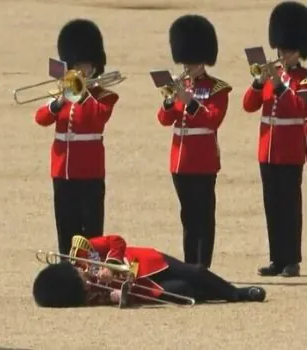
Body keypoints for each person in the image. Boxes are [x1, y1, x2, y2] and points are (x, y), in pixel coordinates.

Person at [34, 18, 119, 255]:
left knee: (91, 230)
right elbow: (41, 118)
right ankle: (67, 271)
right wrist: (60, 100)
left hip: (89, 172)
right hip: (62, 170)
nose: (81, 72)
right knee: (65, 225)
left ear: (94, 68)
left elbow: (97, 117)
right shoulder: (62, 92)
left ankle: (92, 274)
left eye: (85, 67)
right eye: (77, 67)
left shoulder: (103, 96)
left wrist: (80, 94)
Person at [156, 15, 231, 269]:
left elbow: (213, 119)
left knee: (204, 216)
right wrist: (169, 101)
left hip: (203, 160)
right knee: (187, 215)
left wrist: (190, 102)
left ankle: (203, 266)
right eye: (186, 61)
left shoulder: (217, 88)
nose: (189, 66)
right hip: (180, 159)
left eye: (194, 62)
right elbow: (165, 120)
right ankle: (190, 265)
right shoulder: (179, 85)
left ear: (204, 61)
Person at [242, 1, 307, 277]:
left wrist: (280, 86)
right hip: (267, 150)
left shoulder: (303, 79)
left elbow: (300, 108)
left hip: (290, 150)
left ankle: (292, 259)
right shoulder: (271, 77)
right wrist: (258, 83)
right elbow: (248, 105)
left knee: (290, 206)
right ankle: (277, 258)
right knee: (272, 206)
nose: (282, 54)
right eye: (280, 49)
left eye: (287, 50)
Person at [32, 235, 266, 308]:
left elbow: (115, 241)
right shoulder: (89, 295)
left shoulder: (80, 251)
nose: (87, 281)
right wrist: (118, 296)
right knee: (184, 290)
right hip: (142, 286)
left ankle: (237, 294)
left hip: (144, 261)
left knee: (194, 271)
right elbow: (121, 299)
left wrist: (109, 266)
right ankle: (217, 295)